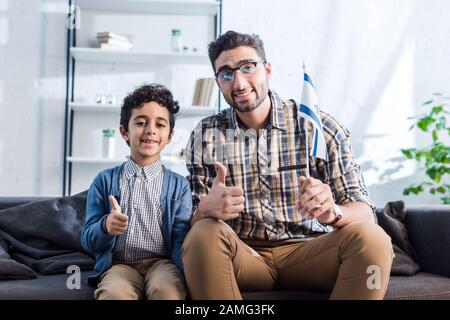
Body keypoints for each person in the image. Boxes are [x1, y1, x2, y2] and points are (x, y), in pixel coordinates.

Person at [182, 31, 394, 300]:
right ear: (218, 82)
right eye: (226, 73)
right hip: (244, 256)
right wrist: (204, 211)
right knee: (202, 233)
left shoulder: (319, 127)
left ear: (267, 69)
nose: (239, 82)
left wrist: (333, 211)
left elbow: (365, 213)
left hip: (311, 253)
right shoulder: (206, 134)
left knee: (373, 238)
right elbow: (188, 226)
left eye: (248, 68)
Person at [81, 84, 192, 300]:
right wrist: (105, 226)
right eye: (141, 123)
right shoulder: (103, 181)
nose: (150, 129)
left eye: (160, 124)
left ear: (169, 136)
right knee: (114, 294)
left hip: (163, 264)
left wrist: (189, 273)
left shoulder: (179, 186)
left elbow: (181, 240)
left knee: (167, 292)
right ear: (124, 131)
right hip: (120, 265)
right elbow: (87, 238)